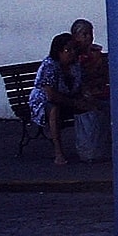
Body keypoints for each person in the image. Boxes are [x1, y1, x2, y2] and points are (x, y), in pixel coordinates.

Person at [29, 31, 84, 166]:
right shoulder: (50, 66)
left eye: (73, 49)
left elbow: (80, 85)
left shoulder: (75, 66)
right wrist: (74, 102)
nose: (72, 53)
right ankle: (58, 152)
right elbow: (51, 95)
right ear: (58, 52)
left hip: (67, 98)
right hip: (44, 102)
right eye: (67, 50)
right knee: (54, 110)